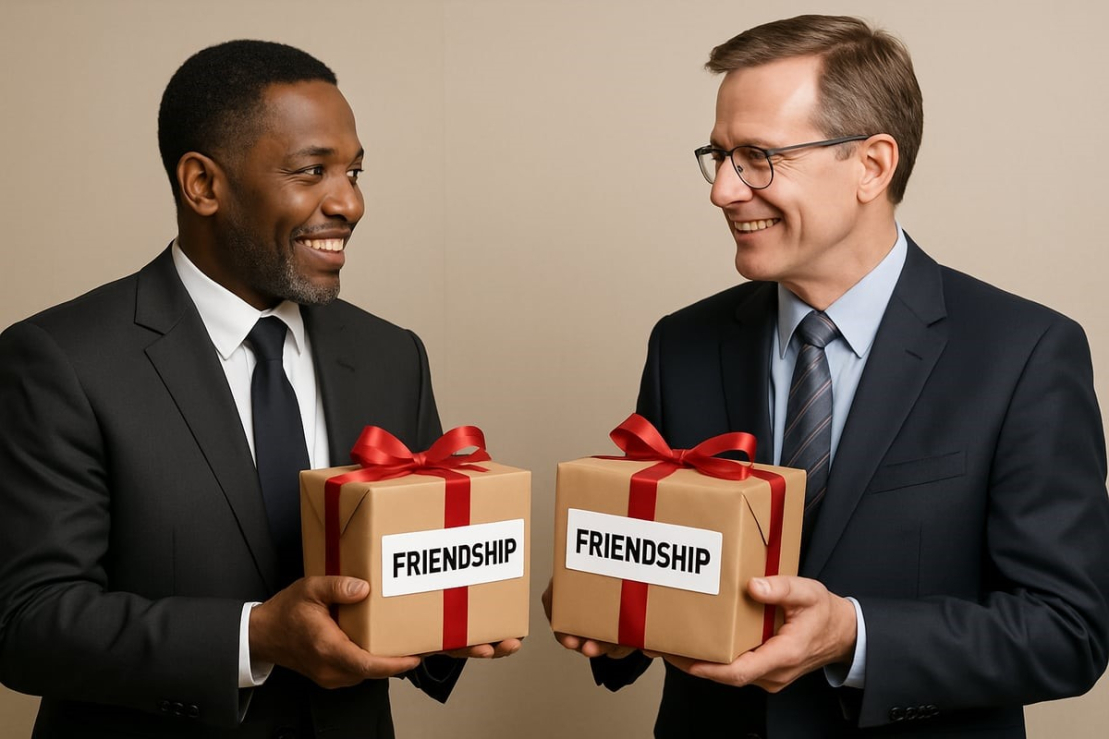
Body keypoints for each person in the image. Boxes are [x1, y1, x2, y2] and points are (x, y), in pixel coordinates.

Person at [545, 14, 1109, 737]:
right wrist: (610, 610)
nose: (722, 190)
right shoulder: (682, 344)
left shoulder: (1024, 352)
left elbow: (1067, 631)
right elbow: (654, 583)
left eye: (756, 157)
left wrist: (852, 633)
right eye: (716, 156)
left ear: (871, 165)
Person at [0, 40, 517, 738]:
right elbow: (29, 622)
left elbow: (416, 568)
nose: (351, 202)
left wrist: (456, 617)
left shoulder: (392, 354)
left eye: (354, 170)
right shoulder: (61, 360)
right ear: (203, 185)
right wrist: (255, 637)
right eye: (313, 171)